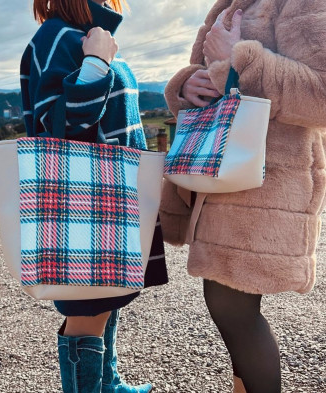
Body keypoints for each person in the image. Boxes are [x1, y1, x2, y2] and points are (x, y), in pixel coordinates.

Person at [161, 0, 326, 392]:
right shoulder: (228, 4)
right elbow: (215, 79)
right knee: (226, 304)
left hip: (266, 183)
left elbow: (321, 93)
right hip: (223, 176)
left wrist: (236, 62)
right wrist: (188, 84)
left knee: (233, 308)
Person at [19, 1, 168, 392]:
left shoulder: (79, 34)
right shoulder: (56, 37)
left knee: (108, 295)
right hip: (87, 207)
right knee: (89, 309)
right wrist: (99, 63)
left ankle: (109, 384)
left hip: (108, 202)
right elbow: (57, 123)